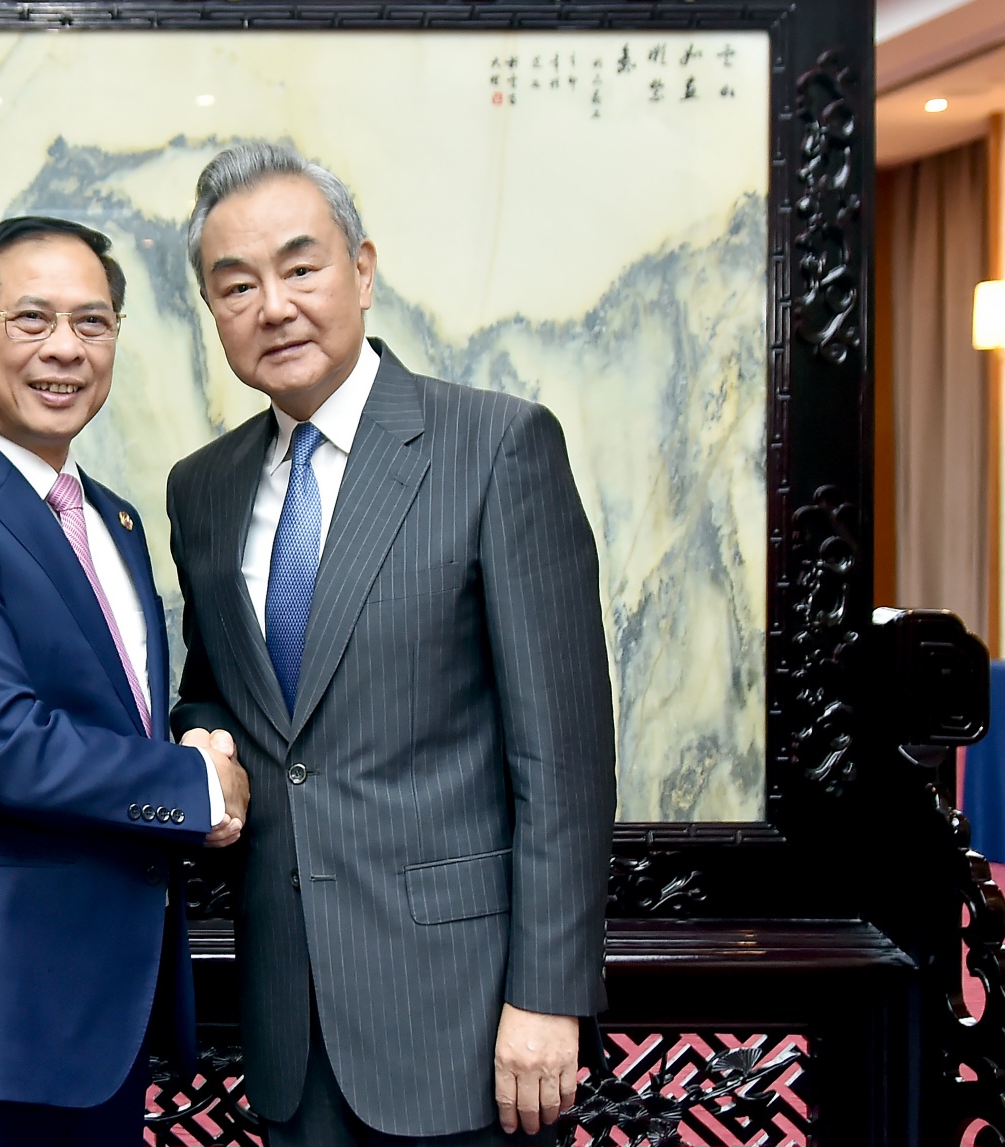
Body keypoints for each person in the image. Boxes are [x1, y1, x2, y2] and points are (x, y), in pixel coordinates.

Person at [167, 143, 615, 1146]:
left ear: (362, 271)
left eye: (301, 267)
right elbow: (217, 685)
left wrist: (548, 994)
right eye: (235, 286)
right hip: (289, 1014)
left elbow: (564, 756)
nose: (273, 306)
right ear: (211, 310)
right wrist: (203, 738)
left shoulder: (495, 445)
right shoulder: (203, 488)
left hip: (465, 1013)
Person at [0, 215, 250, 1147]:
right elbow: (3, 745)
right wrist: (196, 787)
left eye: (92, 322)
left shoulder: (115, 519)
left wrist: (192, 735)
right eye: (31, 319)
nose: (66, 348)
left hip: (102, 1015)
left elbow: (112, 711)